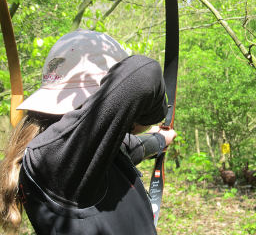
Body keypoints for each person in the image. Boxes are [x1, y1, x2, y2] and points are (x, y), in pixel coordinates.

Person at [0, 29, 177, 235]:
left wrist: (161, 139)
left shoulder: (81, 154)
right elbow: (143, 73)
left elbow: (132, 147)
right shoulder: (53, 158)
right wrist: (144, 119)